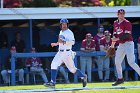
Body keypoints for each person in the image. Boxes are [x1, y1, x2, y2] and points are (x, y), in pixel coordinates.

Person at [44, 18, 87, 88]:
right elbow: (60, 41)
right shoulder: (61, 32)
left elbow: (73, 42)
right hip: (60, 52)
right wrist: (56, 44)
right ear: (61, 25)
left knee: (72, 69)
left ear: (67, 25)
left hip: (67, 52)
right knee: (53, 64)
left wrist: (63, 42)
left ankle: (83, 76)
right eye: (63, 24)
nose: (64, 25)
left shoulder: (69, 32)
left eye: (65, 24)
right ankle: (52, 82)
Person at [112, 9, 140, 86]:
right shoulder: (115, 23)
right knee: (117, 62)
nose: (122, 15)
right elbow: (115, 34)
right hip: (121, 45)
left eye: (123, 13)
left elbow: (127, 35)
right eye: (120, 13)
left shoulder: (127, 23)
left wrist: (116, 39)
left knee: (131, 62)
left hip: (128, 44)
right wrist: (112, 45)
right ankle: (120, 79)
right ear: (117, 14)